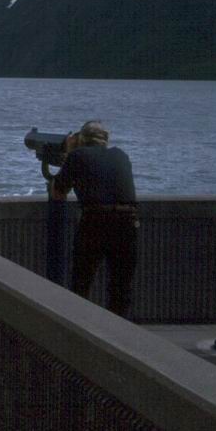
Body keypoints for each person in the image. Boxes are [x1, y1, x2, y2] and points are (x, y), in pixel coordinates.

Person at [51, 120, 139, 318]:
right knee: (121, 287)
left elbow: (58, 192)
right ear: (105, 141)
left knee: (81, 282)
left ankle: (79, 329)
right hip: (128, 221)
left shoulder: (77, 155)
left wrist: (69, 153)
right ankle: (120, 335)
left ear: (81, 139)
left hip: (96, 220)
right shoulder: (121, 155)